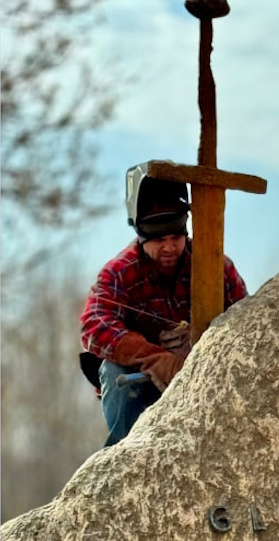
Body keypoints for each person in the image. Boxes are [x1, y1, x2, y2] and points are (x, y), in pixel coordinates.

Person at [80, 164, 248, 446]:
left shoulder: (216, 267)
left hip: (207, 384)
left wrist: (203, 346)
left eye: (176, 237)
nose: (169, 247)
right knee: (113, 370)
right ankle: (125, 457)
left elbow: (250, 323)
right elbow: (94, 325)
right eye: (159, 240)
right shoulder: (119, 272)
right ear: (142, 237)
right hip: (141, 389)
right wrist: (156, 359)